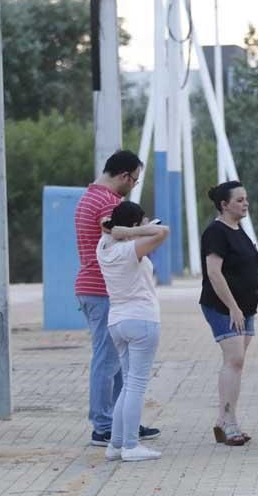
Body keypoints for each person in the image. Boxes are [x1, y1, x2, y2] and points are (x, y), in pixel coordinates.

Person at [73, 149, 160, 446]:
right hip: (103, 289)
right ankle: (103, 425)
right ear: (123, 176)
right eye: (134, 180)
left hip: (95, 287)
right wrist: (147, 230)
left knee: (120, 362)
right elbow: (110, 230)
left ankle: (124, 422)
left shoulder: (89, 195)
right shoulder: (106, 201)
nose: (133, 186)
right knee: (107, 360)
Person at [199, 181, 258, 446]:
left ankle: (223, 420)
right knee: (235, 360)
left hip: (245, 306)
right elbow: (214, 273)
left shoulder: (238, 229)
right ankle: (229, 422)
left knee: (236, 363)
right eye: (240, 200)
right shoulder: (216, 232)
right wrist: (232, 307)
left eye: (246, 199)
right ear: (224, 204)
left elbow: (243, 260)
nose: (245, 204)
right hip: (224, 306)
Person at [97, 202, 170, 462]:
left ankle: (115, 445)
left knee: (128, 384)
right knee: (136, 385)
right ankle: (130, 445)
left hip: (117, 320)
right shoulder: (130, 248)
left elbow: (106, 223)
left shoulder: (104, 247)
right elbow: (163, 233)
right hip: (141, 319)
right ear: (133, 226)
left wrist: (124, 230)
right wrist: (138, 231)